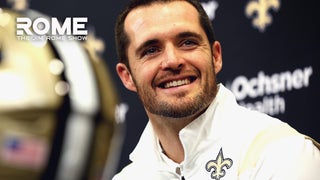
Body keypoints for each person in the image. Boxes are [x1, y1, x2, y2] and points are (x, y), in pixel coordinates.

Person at [112, 0, 320, 179]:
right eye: (151, 50)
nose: (173, 61)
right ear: (127, 76)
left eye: (187, 42)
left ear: (216, 56)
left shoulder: (281, 153)